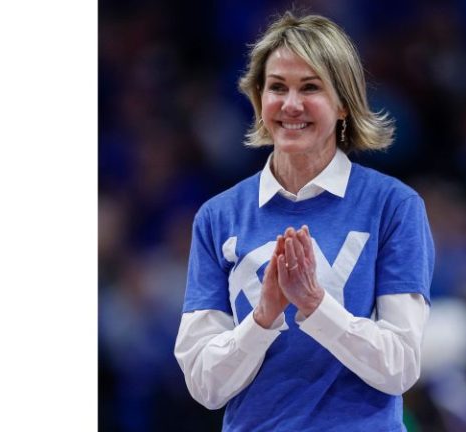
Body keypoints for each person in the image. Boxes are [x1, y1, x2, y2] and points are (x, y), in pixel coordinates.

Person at [174, 11, 435, 431]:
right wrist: (263, 318)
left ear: (343, 103)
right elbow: (205, 385)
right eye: (277, 87)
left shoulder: (393, 207)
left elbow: (400, 367)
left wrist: (314, 304)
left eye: (310, 87)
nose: (291, 104)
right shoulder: (217, 217)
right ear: (259, 99)